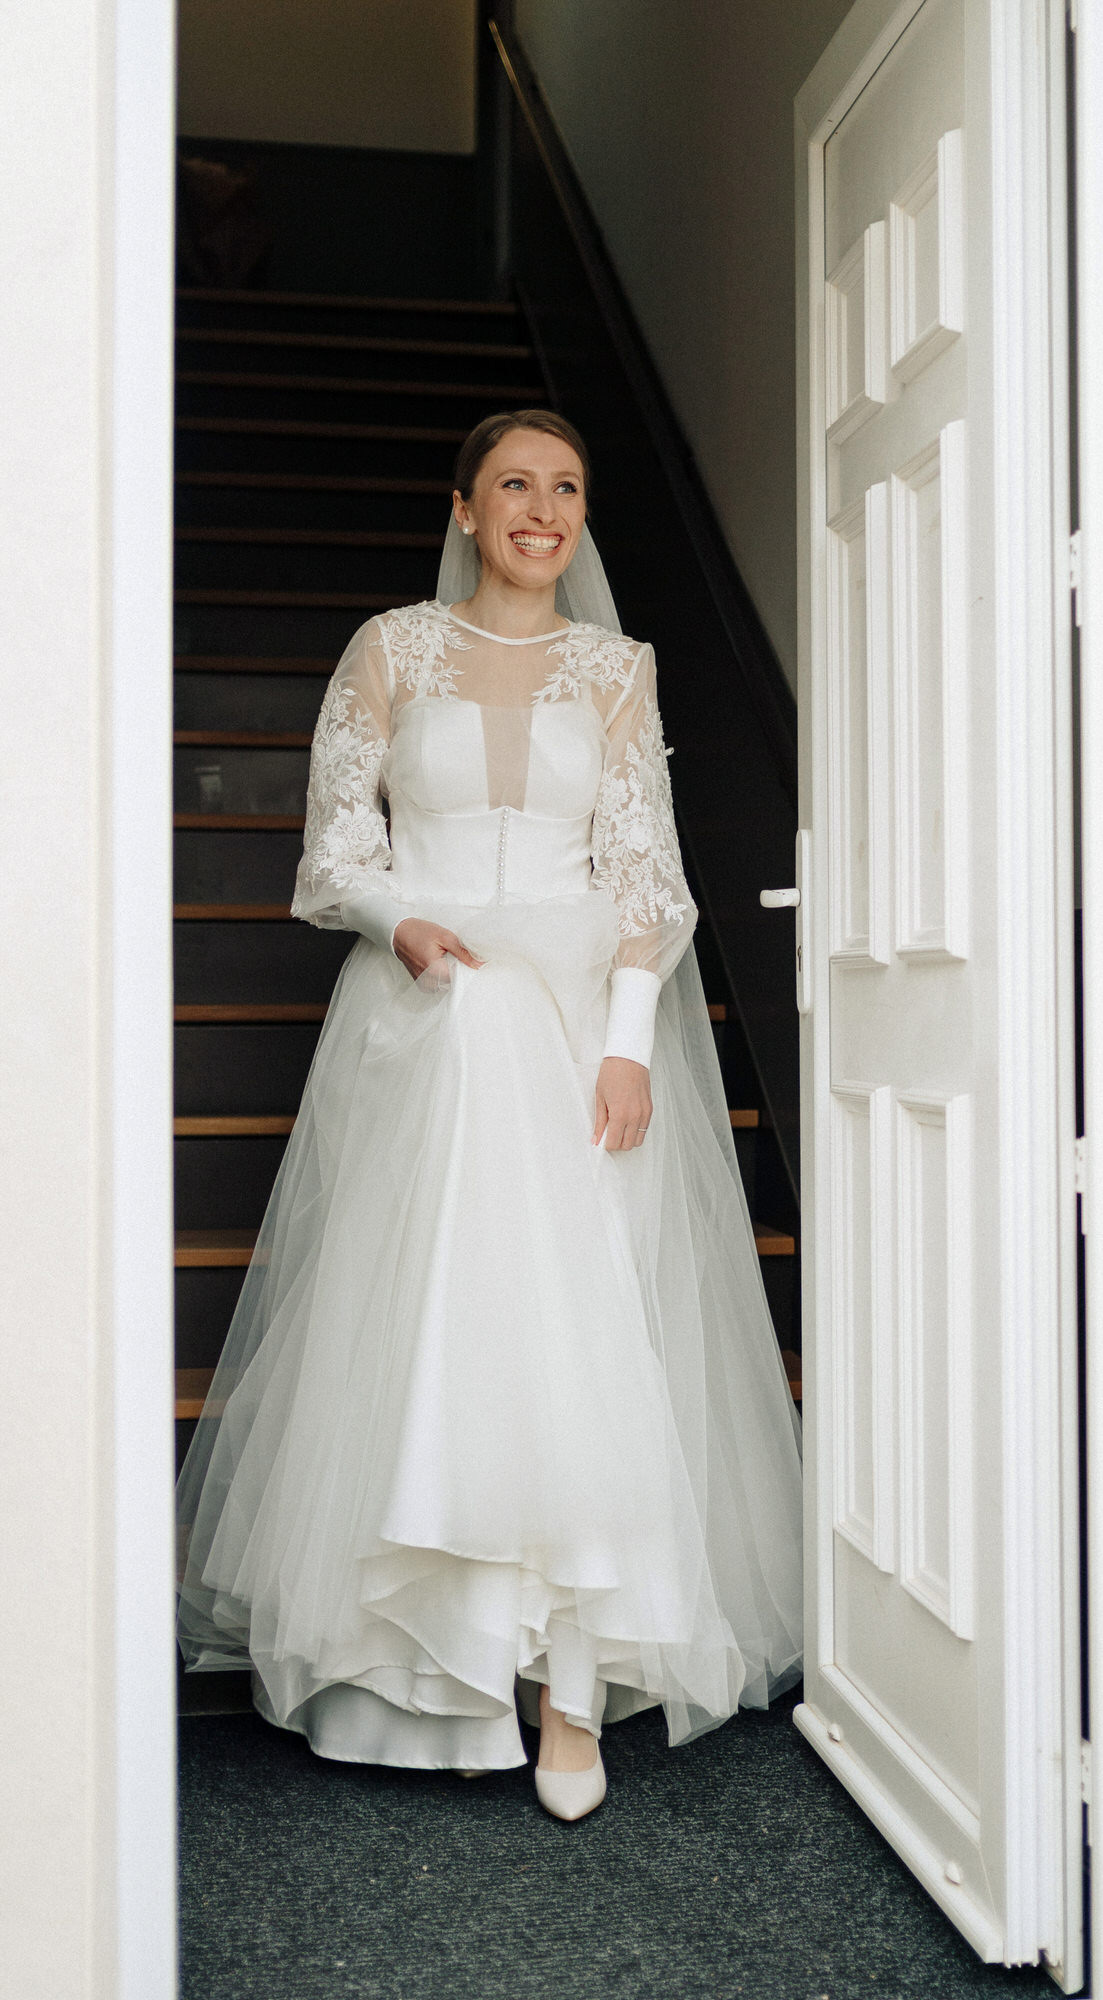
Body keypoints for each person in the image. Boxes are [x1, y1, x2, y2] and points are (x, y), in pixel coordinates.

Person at [176, 408, 803, 1822]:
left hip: (581, 1025)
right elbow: (336, 845)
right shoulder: (390, 648)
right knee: (441, 1322)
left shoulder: (620, 669)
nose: (540, 508)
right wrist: (398, 923)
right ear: (464, 509)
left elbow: (646, 879)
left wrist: (630, 1047)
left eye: (564, 487)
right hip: (434, 1008)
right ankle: (429, 1670)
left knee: (580, 1334)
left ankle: (569, 1685)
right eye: (513, 484)